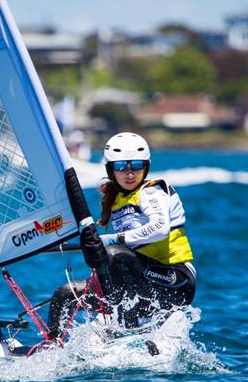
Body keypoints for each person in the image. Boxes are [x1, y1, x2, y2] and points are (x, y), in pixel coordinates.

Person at [47, 132, 196, 340]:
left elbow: (160, 228)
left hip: (174, 281)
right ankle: (51, 347)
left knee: (116, 254)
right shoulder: (115, 199)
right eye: (120, 167)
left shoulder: (152, 192)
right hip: (134, 282)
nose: (130, 173)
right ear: (110, 169)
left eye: (136, 165)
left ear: (146, 166)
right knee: (65, 295)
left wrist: (109, 240)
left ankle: (130, 333)